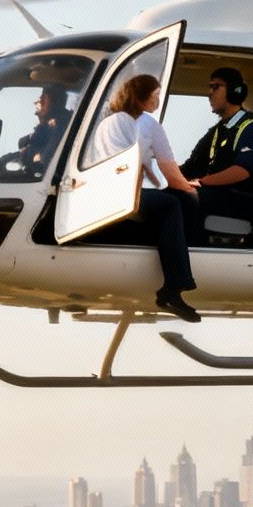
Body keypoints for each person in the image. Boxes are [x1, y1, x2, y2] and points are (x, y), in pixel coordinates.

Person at [89, 73, 203, 322]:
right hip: (125, 197)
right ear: (141, 99)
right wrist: (190, 187)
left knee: (159, 202)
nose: (158, 102)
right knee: (175, 203)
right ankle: (174, 286)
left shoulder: (107, 123)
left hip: (100, 197)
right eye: (155, 96)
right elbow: (171, 174)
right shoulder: (149, 124)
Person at [181, 66, 253, 228]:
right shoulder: (217, 131)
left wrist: (201, 182)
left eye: (216, 87)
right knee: (163, 197)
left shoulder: (252, 127)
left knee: (179, 199)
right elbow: (191, 167)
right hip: (216, 195)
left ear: (235, 92)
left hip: (238, 200)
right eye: (210, 87)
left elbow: (242, 171)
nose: (210, 92)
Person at [9, 84, 71, 176]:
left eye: (44, 98)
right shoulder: (45, 125)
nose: (38, 102)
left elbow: (45, 159)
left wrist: (30, 155)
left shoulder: (61, 122)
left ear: (55, 101)